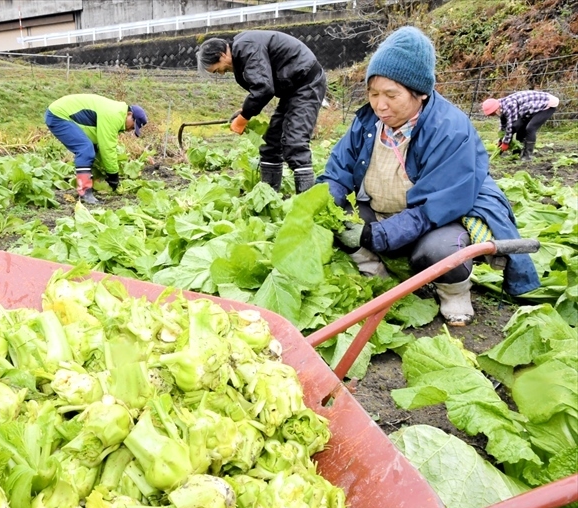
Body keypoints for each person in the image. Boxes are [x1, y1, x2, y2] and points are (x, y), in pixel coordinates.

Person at [317, 26, 539, 326]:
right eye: (373, 94)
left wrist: (375, 235)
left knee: (438, 252)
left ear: (420, 92)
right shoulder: (368, 121)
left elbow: (433, 208)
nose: (380, 105)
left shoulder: (450, 129)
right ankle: (376, 275)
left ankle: (454, 290)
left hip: (437, 219)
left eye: (391, 95)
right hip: (382, 209)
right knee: (335, 218)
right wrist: (324, 203)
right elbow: (337, 172)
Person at [197, 31, 327, 195]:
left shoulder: (245, 47)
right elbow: (260, 88)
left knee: (295, 143)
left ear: (221, 54)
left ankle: (308, 201)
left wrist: (243, 118)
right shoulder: (241, 53)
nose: (221, 73)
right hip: (291, 90)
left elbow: (264, 89)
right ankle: (270, 198)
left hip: (306, 83)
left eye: (217, 70)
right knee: (271, 144)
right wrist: (245, 110)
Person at [45, 93, 147, 205]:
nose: (130, 130)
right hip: (59, 115)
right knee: (85, 149)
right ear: (129, 114)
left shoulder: (116, 112)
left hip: (62, 113)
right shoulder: (114, 115)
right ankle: (84, 191)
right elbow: (107, 149)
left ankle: (90, 183)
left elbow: (100, 145)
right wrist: (113, 176)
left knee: (93, 149)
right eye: (133, 126)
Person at [482, 91, 559, 161]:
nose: (493, 115)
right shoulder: (502, 107)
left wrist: (505, 143)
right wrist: (501, 140)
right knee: (520, 128)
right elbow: (503, 126)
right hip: (529, 110)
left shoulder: (509, 106)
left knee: (530, 128)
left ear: (496, 109)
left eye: (493, 114)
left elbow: (510, 126)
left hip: (546, 105)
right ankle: (517, 152)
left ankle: (528, 156)